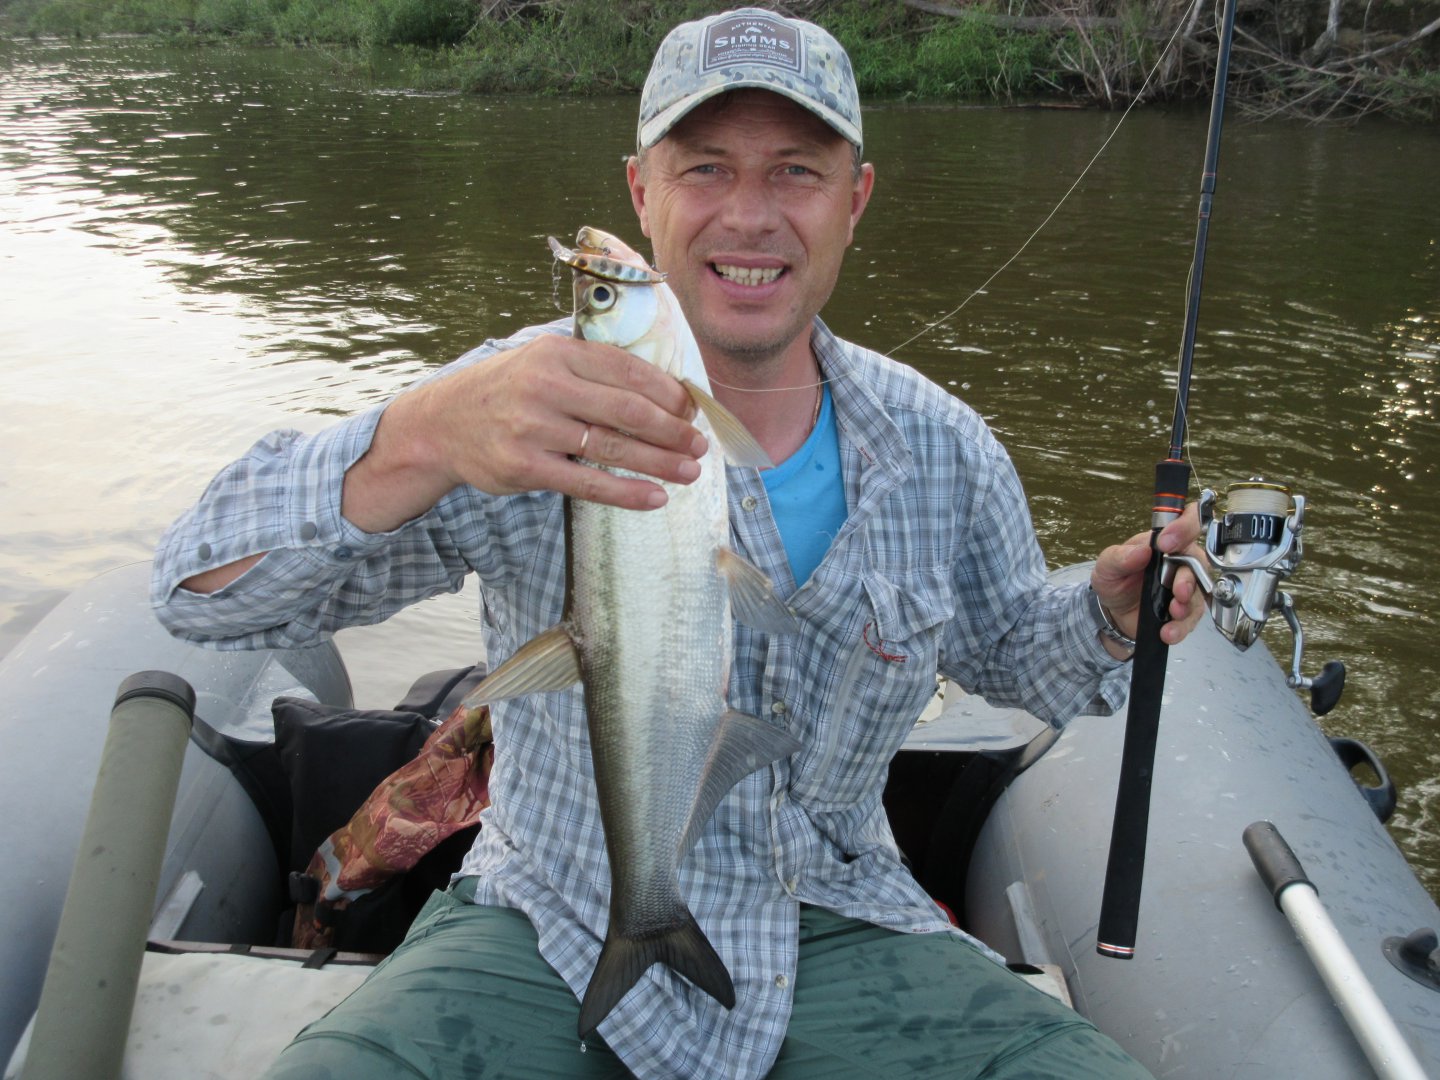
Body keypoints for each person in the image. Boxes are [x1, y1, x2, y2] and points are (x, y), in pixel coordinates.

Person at [153, 8, 1203, 1078]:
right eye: (704, 167)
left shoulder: (943, 445)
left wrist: (1108, 615)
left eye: (796, 170)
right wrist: (421, 435)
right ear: (641, 192)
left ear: (855, 200)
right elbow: (200, 594)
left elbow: (1012, 656)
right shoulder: (512, 410)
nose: (749, 215)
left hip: (840, 910)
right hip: (550, 913)